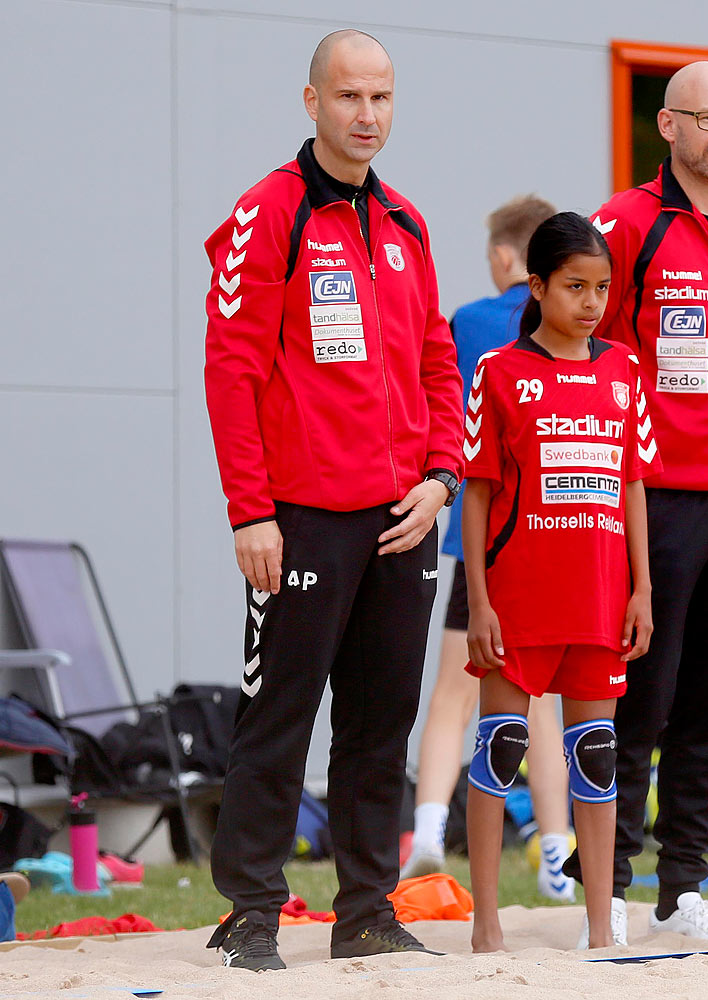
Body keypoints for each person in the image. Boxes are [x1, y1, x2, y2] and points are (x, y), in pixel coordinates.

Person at [202, 29, 461, 970]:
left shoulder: (406, 224)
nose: (368, 116)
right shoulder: (266, 215)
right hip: (301, 515)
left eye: (382, 98)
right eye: (349, 98)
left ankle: (364, 914)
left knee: (379, 720)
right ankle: (250, 914)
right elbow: (229, 370)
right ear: (311, 104)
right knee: (280, 716)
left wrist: (441, 478)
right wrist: (250, 510)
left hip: (403, 518)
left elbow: (438, 360)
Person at [562, 60, 708, 945]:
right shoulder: (625, 225)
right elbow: (577, 345)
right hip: (656, 501)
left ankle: (683, 887)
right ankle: (601, 887)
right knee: (637, 696)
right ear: (668, 126)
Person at [459, 212, 659, 952]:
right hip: (516, 599)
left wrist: (641, 589)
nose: (590, 302)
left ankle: (601, 923)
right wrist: (477, 599)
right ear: (536, 286)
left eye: (601, 288)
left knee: (597, 755)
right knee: (502, 745)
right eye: (574, 286)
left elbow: (633, 484)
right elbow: (476, 491)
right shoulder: (499, 373)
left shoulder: (624, 372)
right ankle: (486, 925)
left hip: (600, 599)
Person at [402, 194, 577, 903]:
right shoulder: (577, 327)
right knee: (541, 703)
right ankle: (556, 855)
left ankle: (425, 835)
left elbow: (433, 410)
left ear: (506, 258)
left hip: (482, 539)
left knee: (452, 693)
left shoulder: (472, 321)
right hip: (560, 538)